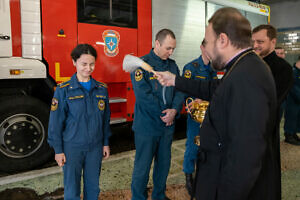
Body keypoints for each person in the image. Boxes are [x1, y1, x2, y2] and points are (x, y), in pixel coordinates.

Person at [156, 7, 279, 200]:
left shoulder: (248, 77)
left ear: (223, 40)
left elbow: (245, 160)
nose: (207, 49)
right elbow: (215, 88)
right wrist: (175, 80)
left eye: (209, 42)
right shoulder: (243, 67)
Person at [47, 44, 111, 200]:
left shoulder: (101, 89)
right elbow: (55, 123)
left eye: (92, 64)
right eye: (84, 64)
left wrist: (105, 143)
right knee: (72, 188)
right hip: (72, 148)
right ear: (74, 62)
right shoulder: (64, 90)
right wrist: (58, 150)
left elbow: (105, 119)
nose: (88, 68)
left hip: (95, 147)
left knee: (93, 187)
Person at [130, 29, 183, 200]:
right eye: (168, 48)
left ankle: (159, 196)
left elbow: (180, 90)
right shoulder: (141, 65)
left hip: (167, 127)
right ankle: (138, 197)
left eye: (173, 49)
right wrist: (165, 113)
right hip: (147, 126)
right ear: (157, 43)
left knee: (163, 165)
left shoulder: (173, 66)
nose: (171, 52)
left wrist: (174, 111)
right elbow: (143, 96)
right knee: (142, 167)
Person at [181, 40, 217, 195]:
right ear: (202, 47)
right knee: (193, 145)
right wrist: (193, 101)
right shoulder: (191, 68)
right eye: (207, 47)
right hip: (196, 116)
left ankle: (203, 175)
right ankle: (189, 176)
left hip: (211, 115)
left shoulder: (214, 69)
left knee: (207, 145)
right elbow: (184, 90)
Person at [252, 25, 295, 147]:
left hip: (265, 129)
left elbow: (271, 101)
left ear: (273, 42)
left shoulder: (283, 69)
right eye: (253, 41)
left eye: (260, 42)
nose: (255, 45)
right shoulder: (250, 64)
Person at [284, 56, 300, 145]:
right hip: (292, 100)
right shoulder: (293, 72)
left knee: (296, 118)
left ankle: (293, 134)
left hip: (297, 100)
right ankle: (288, 135)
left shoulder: (298, 72)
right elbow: (293, 87)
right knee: (291, 117)